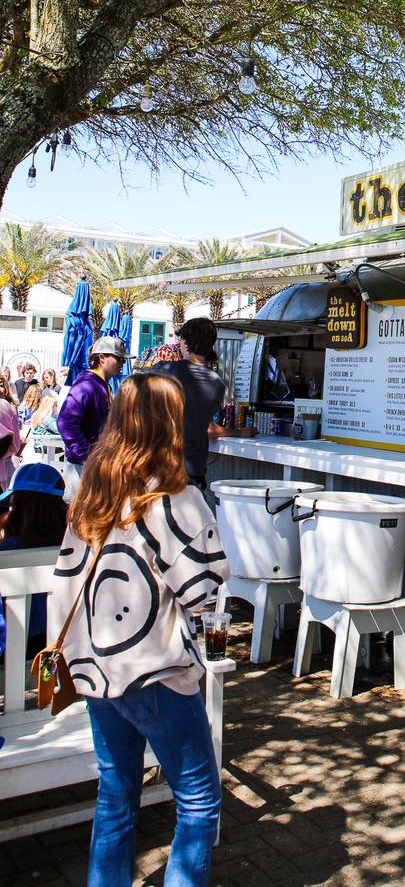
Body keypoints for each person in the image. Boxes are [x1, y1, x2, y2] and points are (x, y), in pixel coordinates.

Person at [50, 373, 231, 887]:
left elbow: (65, 577)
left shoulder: (93, 489)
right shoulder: (173, 497)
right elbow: (203, 592)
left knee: (116, 794)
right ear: (169, 424)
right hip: (157, 673)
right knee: (198, 799)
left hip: (96, 671)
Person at [151, 318, 226, 496]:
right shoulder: (218, 384)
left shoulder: (162, 370)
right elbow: (201, 423)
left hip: (160, 468)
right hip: (193, 471)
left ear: (185, 342)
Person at [0, 464, 67, 657]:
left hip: (13, 652)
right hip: (59, 650)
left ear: (15, 505)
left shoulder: (7, 549)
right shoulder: (76, 548)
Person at [57, 337, 128, 499]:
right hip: (81, 469)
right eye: (119, 358)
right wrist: (88, 454)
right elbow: (65, 423)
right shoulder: (88, 384)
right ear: (102, 358)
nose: (122, 362)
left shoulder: (100, 384)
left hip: (93, 466)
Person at [0, 376, 25, 488]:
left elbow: (14, 440)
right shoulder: (4, 405)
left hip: (5, 464)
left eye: (1, 385)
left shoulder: (5, 405)